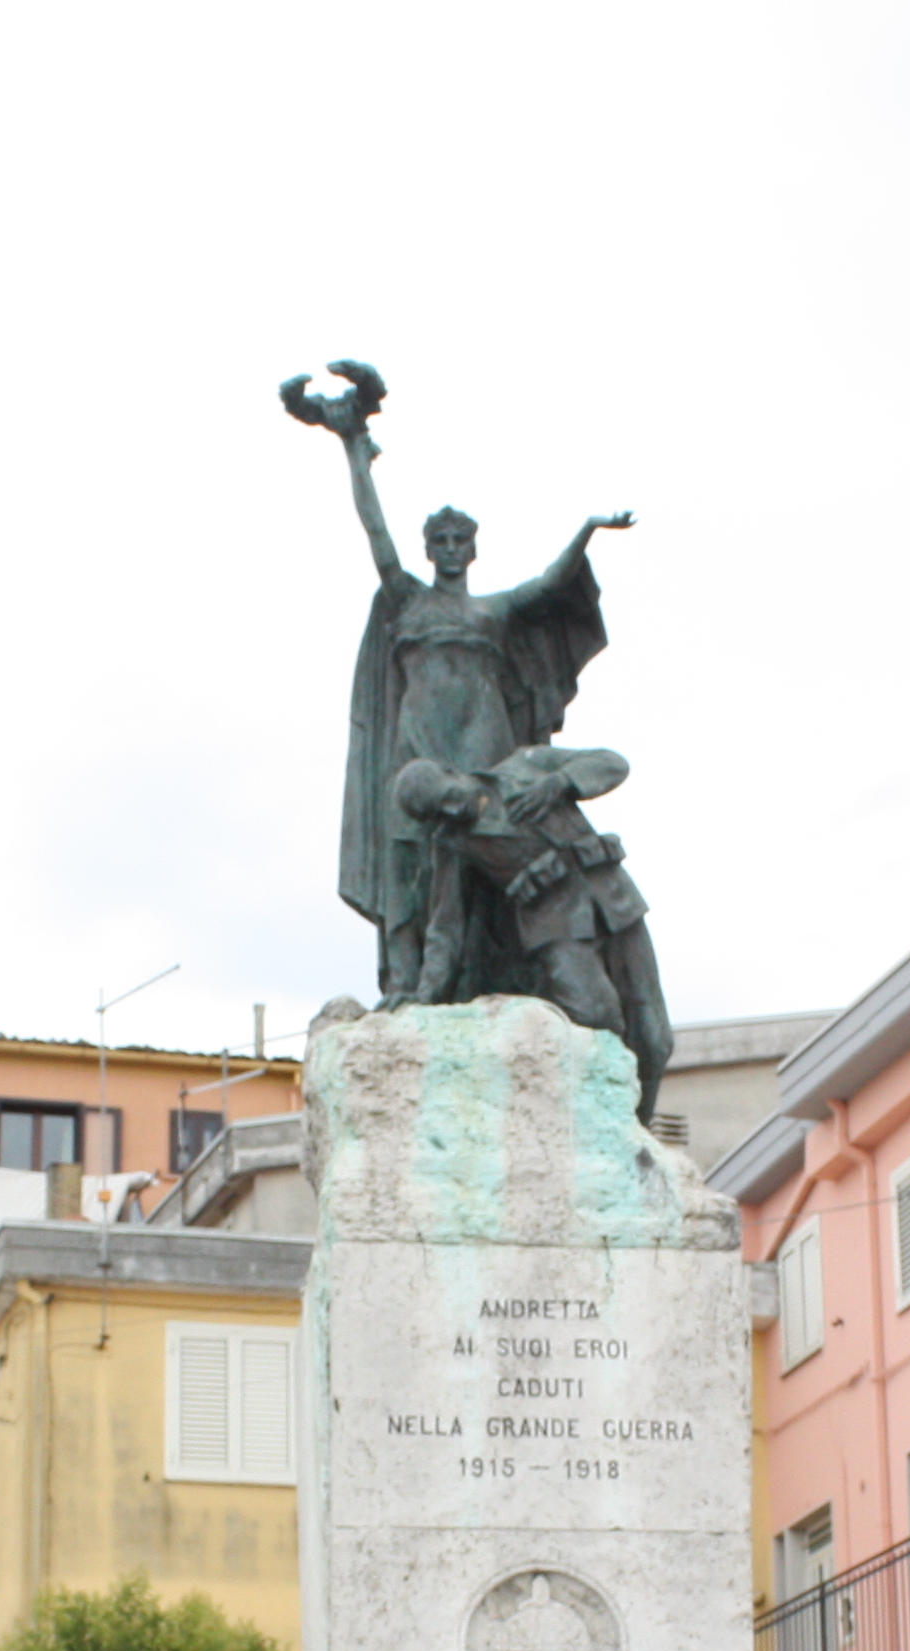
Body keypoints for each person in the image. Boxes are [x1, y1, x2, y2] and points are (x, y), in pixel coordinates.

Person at [298, 369, 633, 1006]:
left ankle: (497, 976)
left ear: (473, 550)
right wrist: (352, 451)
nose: (450, 548)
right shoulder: (406, 596)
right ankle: (405, 983)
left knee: (490, 860)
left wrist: (587, 532)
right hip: (417, 746)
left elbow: (548, 583)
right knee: (407, 864)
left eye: (461, 540)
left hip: (483, 742)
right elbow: (375, 535)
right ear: (430, 549)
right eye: (441, 540)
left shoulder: (492, 612)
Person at [390, 745, 672, 1117]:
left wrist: (560, 782)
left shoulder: (526, 766)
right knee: (596, 1018)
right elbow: (446, 927)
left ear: (451, 771)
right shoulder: (454, 843)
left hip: (614, 902)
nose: (451, 812)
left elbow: (613, 763)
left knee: (654, 1038)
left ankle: (639, 1132)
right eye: (437, 814)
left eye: (448, 798)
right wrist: (424, 997)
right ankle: (600, 1122)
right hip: (555, 926)